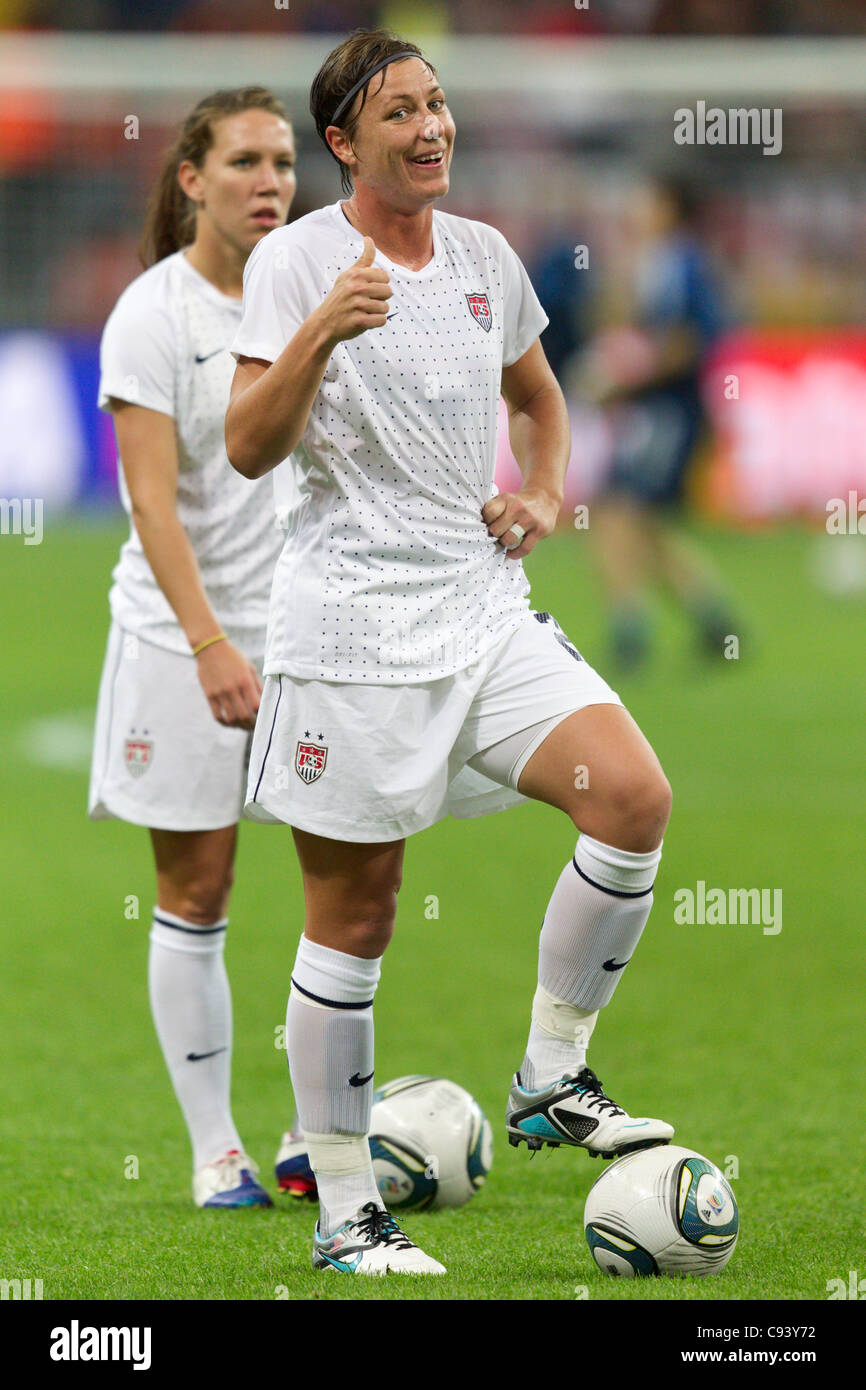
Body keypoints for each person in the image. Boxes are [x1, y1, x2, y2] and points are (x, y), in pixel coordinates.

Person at [226, 31, 673, 1275]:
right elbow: (249, 446)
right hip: (350, 639)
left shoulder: (482, 256)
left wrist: (538, 493)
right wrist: (319, 330)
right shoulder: (294, 262)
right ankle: (344, 1208)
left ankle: (549, 1071)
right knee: (352, 920)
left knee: (632, 796)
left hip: (480, 611)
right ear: (341, 144)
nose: (430, 129)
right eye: (399, 114)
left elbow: (539, 398)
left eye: (438, 105)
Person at [89, 87, 297, 1208]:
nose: (271, 180)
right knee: (198, 886)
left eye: (283, 161)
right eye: (246, 162)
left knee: (347, 873)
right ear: (191, 180)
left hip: (309, 634)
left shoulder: (307, 291)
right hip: (180, 638)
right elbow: (153, 505)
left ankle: (323, 1134)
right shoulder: (152, 314)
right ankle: (217, 1149)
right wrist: (212, 641)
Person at [582, 174, 738, 668]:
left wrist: (627, 377)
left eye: (646, 199)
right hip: (648, 411)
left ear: (669, 207)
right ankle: (716, 622)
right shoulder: (645, 261)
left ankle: (630, 633)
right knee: (643, 523)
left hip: (670, 412)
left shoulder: (685, 263)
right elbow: (612, 324)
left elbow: (696, 338)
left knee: (616, 510)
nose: (635, 208)